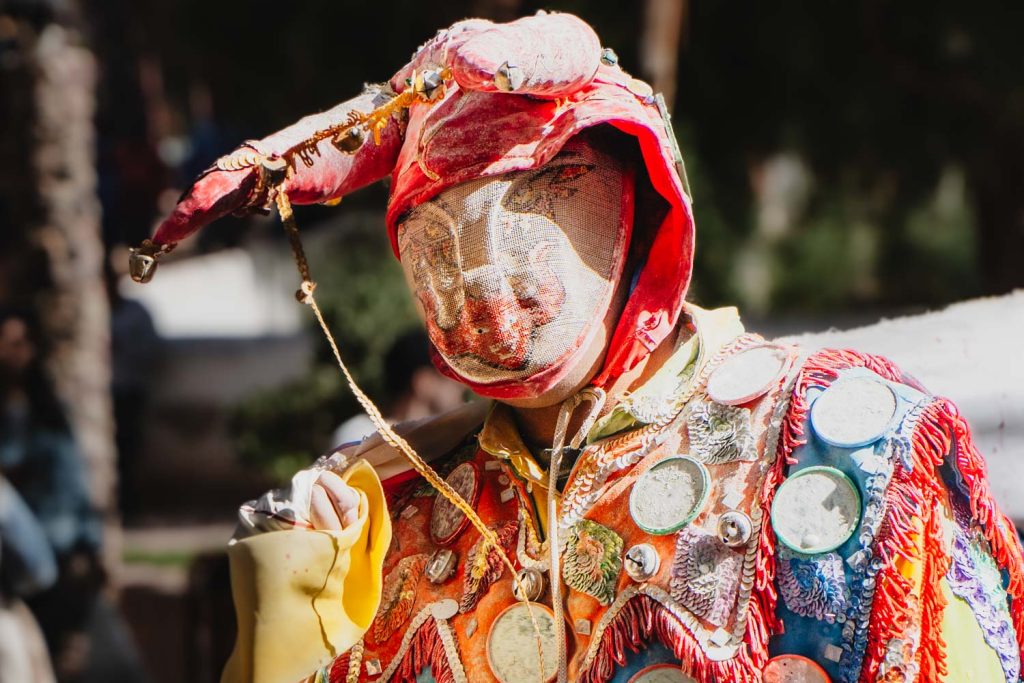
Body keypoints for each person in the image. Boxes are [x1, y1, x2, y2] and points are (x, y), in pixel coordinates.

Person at [132, 13, 1024, 683]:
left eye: (526, 225)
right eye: (434, 249)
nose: (482, 302)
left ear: (634, 200)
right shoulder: (387, 515)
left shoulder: (844, 441)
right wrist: (290, 597)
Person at [332, 330, 465, 447]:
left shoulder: (442, 441)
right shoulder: (359, 435)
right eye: (452, 375)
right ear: (423, 381)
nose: (462, 386)